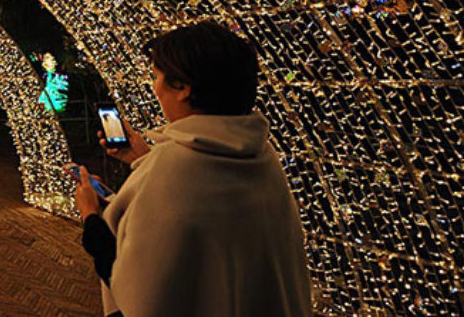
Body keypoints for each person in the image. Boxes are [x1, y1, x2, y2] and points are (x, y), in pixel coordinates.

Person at [71, 21, 311, 317]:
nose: (155, 88)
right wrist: (144, 158)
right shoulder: (262, 156)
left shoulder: (171, 168)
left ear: (183, 88)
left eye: (156, 76)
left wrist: (91, 214)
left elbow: (133, 286)